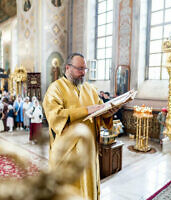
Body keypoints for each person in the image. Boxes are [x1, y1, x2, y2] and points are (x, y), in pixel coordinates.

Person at [43, 53, 119, 200]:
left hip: (89, 150)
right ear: (67, 68)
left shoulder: (90, 89)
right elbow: (55, 116)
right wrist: (86, 110)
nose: (83, 73)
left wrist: (109, 112)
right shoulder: (55, 89)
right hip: (67, 153)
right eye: (79, 69)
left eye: (85, 69)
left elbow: (100, 113)